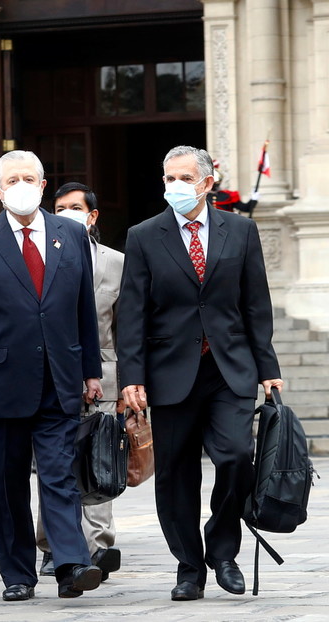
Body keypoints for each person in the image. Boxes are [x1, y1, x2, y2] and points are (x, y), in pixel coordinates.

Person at [118, 145, 283, 601]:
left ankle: (223, 550)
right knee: (175, 474)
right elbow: (131, 313)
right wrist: (131, 376)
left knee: (234, 457)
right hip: (169, 372)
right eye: (169, 178)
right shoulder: (144, 235)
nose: (175, 186)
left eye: (185, 178)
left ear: (208, 183)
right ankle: (189, 567)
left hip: (229, 369)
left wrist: (268, 367)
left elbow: (256, 304)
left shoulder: (242, 231)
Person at [0, 150, 104, 602]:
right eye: (12, 179)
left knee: (59, 474)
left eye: (30, 178)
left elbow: (84, 311)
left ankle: (71, 564)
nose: (22, 185)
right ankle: (18, 573)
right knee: (8, 480)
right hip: (0, 383)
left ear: (42, 185)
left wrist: (91, 371)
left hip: (60, 378)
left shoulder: (71, 234)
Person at [35, 182, 123, 581]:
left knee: (99, 457)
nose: (67, 212)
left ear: (92, 216)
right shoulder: (39, 257)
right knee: (53, 462)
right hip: (51, 375)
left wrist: (130, 385)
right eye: (59, 207)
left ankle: (100, 544)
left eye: (75, 207)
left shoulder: (117, 262)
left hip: (103, 375)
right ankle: (51, 545)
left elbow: (126, 328)